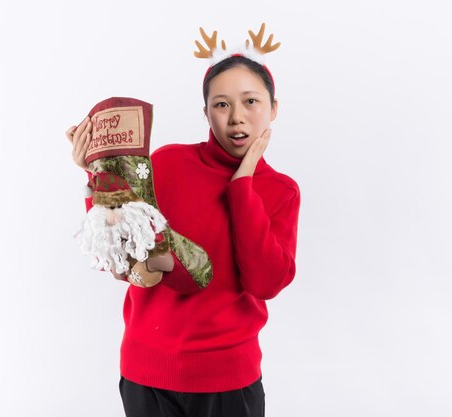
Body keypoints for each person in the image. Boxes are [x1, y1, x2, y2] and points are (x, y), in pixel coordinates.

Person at [65, 27, 300, 417]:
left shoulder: (280, 190)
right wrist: (97, 176)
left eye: (251, 101)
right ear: (206, 112)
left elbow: (266, 282)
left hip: (229, 383)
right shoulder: (167, 164)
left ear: (273, 108)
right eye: (221, 105)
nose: (237, 117)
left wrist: (242, 185)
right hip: (146, 375)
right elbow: (121, 259)